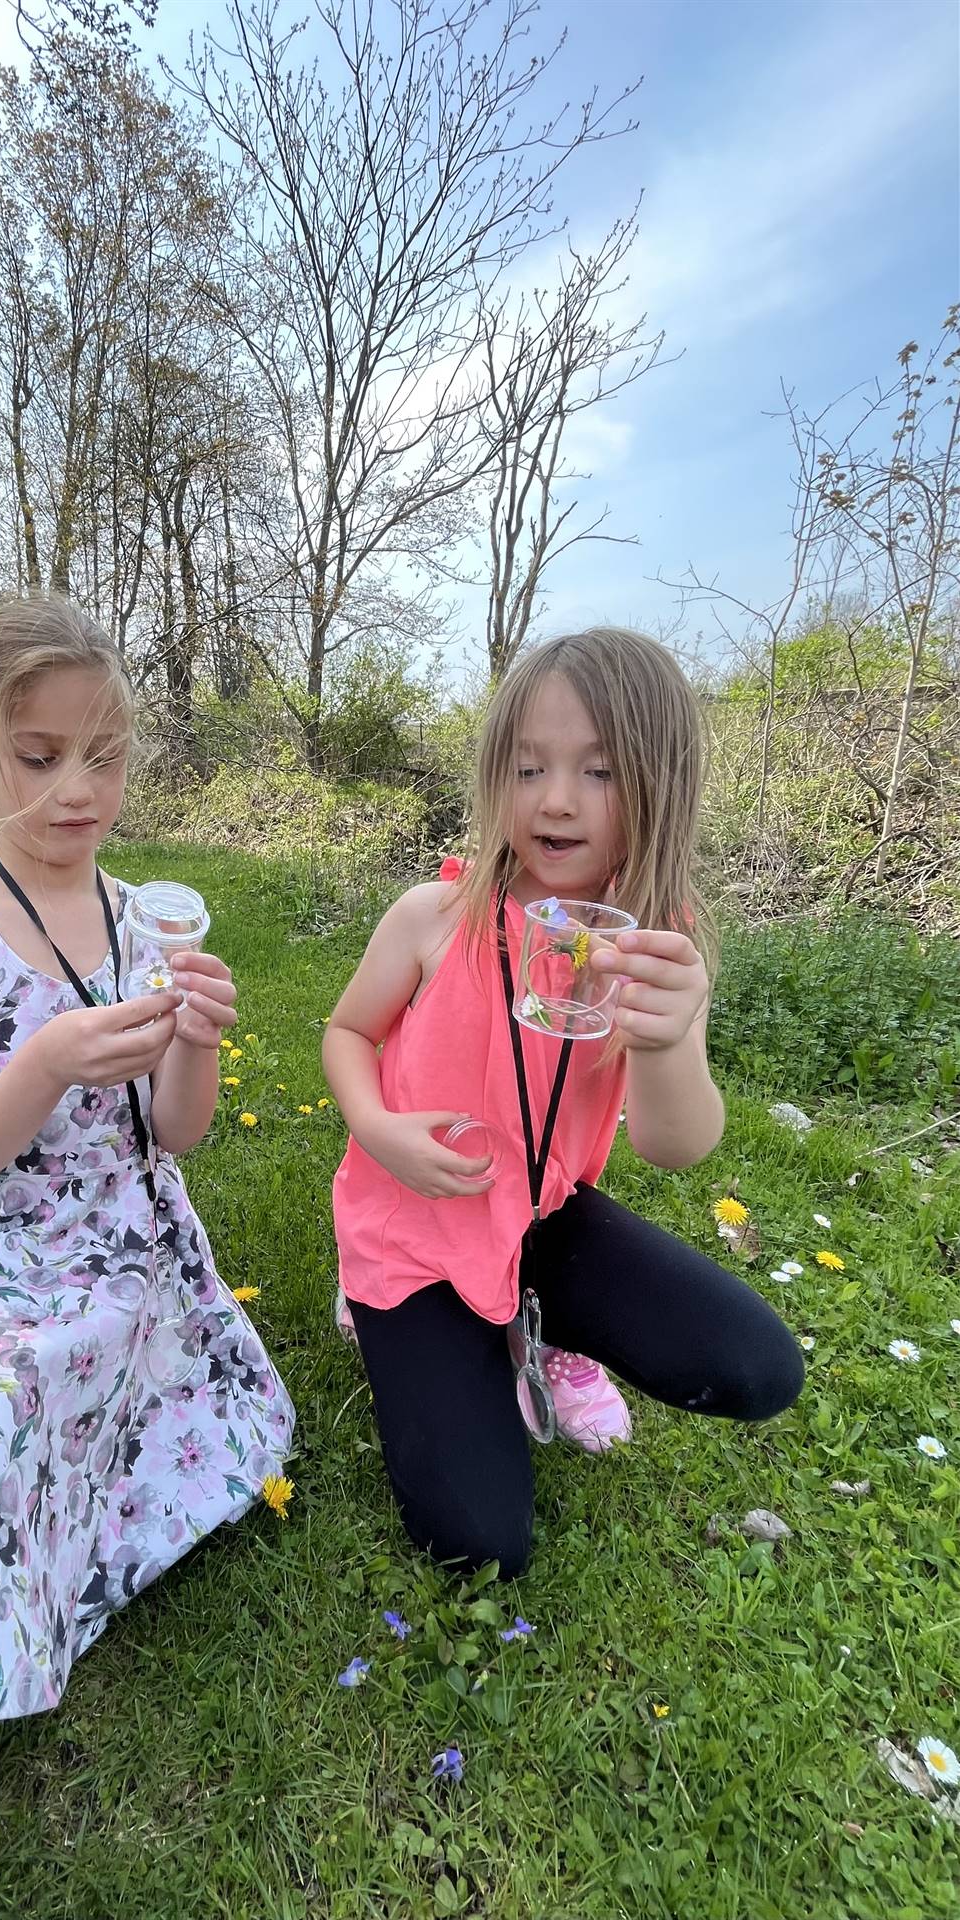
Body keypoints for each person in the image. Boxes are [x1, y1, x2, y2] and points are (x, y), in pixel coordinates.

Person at [0, 594, 293, 1720]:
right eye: (39, 756)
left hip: (125, 1233)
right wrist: (41, 1064)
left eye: (106, 758)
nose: (77, 790)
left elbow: (174, 1134)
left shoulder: (146, 919)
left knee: (87, 1369)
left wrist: (196, 1039)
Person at [324, 628, 802, 1579]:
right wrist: (376, 1131)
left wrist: (667, 1039)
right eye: (529, 766)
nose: (554, 799)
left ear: (659, 786)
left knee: (758, 1367)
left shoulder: (654, 950)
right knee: (479, 1542)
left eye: (599, 771)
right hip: (414, 1224)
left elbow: (674, 1145)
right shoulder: (434, 916)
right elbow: (346, 1036)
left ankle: (536, 1321)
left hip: (541, 1212)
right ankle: (395, 1308)